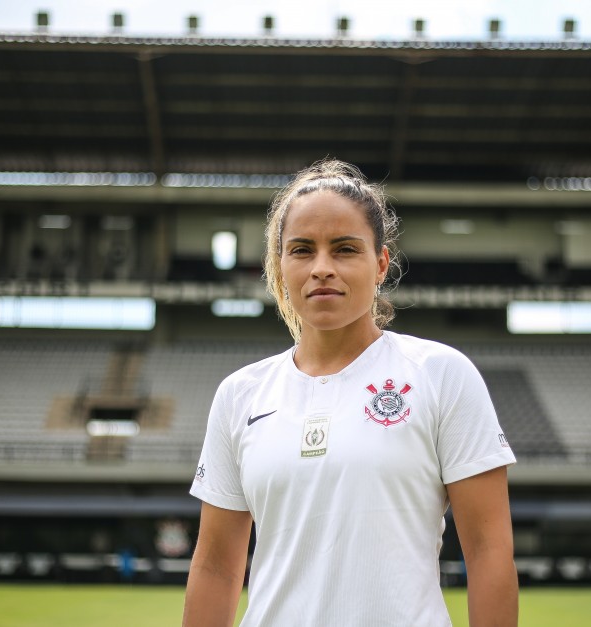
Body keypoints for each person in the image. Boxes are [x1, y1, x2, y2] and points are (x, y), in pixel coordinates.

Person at [183, 159, 518, 626]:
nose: (322, 268)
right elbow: (216, 567)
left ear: (380, 264)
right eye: (301, 250)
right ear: (280, 266)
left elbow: (488, 552)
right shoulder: (240, 395)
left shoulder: (441, 374)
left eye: (344, 249)